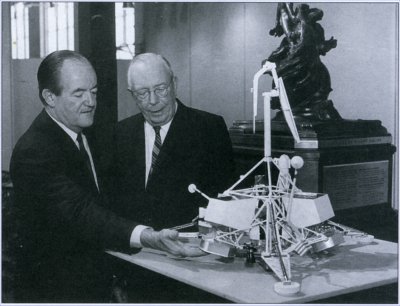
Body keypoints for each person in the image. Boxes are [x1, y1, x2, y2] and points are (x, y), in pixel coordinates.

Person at [9, 50, 204, 303]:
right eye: (79, 93)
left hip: (94, 284)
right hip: (56, 292)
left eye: (94, 91)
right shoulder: (34, 151)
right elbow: (82, 212)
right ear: (50, 97)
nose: (91, 101)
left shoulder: (86, 132)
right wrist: (147, 237)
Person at [110, 53, 236, 231]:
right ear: (132, 94)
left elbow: (226, 201)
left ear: (174, 84)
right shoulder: (120, 133)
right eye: (142, 93)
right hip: (136, 247)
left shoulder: (209, 129)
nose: (153, 101)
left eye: (161, 89)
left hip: (187, 249)